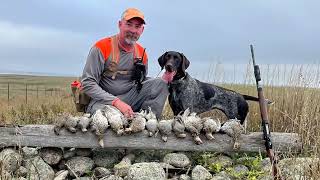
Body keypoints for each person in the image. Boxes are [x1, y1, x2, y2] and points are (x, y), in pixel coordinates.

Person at [81, 8, 169, 119]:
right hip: (103, 101)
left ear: (142, 30)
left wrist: (164, 78)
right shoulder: (101, 47)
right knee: (111, 117)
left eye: (137, 27)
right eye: (129, 24)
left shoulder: (142, 53)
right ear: (120, 24)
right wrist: (116, 102)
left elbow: (142, 81)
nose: (133, 30)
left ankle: (148, 123)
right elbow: (88, 83)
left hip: (131, 99)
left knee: (161, 83)